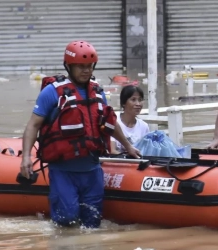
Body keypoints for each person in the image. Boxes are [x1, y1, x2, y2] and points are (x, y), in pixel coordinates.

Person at [19, 40, 141, 228]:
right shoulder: (52, 92)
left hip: (92, 170)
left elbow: (110, 123)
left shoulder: (98, 92)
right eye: (81, 66)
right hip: (63, 171)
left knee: (93, 223)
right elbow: (33, 125)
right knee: (67, 220)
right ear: (69, 66)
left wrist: (128, 146)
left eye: (89, 66)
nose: (86, 70)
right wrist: (26, 157)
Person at [113, 84, 150, 153]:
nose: (138, 104)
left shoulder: (144, 126)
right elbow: (112, 150)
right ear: (123, 103)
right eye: (133, 100)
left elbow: (145, 151)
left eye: (140, 100)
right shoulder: (114, 120)